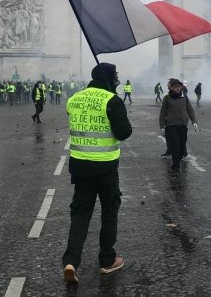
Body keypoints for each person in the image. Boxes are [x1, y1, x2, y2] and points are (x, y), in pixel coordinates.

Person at [62, 62, 132, 283]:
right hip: (106, 167)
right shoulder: (112, 101)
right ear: (110, 78)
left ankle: (71, 261)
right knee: (109, 211)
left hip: (80, 166)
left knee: (81, 213)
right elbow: (123, 133)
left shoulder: (74, 99)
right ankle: (107, 260)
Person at [159, 79, 198, 176]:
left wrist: (194, 122)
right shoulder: (167, 98)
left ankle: (178, 160)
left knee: (181, 146)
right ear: (171, 87)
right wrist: (162, 126)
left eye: (179, 86)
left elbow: (190, 109)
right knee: (175, 145)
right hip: (171, 126)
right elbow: (162, 112)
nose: (177, 88)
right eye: (175, 87)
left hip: (183, 125)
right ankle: (176, 167)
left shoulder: (184, 96)